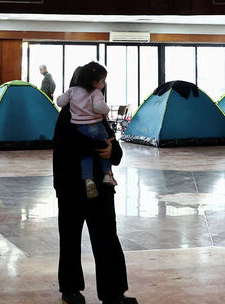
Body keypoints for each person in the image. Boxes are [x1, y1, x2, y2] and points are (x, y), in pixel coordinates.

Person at [54, 64, 136, 304]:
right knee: (70, 238)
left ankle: (113, 293)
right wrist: (103, 148)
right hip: (71, 188)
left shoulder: (98, 114)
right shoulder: (66, 116)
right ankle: (70, 289)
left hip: (101, 189)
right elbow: (66, 148)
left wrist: (113, 150)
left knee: (107, 237)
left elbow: (114, 147)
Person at [55, 62, 114, 197]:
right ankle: (107, 174)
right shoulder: (96, 99)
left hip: (70, 187)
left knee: (86, 156)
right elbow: (111, 144)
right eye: (102, 81)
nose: (104, 84)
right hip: (77, 188)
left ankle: (88, 179)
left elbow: (59, 101)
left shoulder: (68, 107)